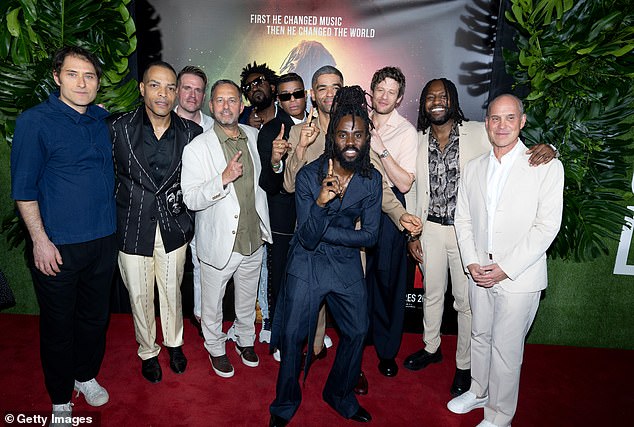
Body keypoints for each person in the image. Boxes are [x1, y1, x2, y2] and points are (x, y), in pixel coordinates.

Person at [404, 78, 557, 397]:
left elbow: (512, 150)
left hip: (465, 235)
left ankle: (464, 365)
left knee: (465, 304)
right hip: (429, 228)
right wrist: (412, 232)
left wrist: (551, 148)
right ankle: (431, 348)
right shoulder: (417, 139)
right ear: (423, 104)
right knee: (432, 295)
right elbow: (415, 186)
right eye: (430, 97)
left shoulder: (478, 131)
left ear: (453, 100)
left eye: (442, 95)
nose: (436, 101)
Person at [283, 65, 422, 393]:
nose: (329, 93)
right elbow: (290, 186)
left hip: (348, 244)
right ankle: (314, 350)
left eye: (335, 87)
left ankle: (351, 368)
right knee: (310, 313)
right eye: (322, 87)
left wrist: (400, 214)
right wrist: (301, 148)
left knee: (352, 317)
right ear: (313, 94)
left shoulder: (358, 132)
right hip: (312, 241)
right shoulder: (300, 133)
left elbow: (376, 185)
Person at [11, 46, 117, 418]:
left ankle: (85, 376)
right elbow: (23, 190)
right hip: (57, 248)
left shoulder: (100, 122)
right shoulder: (34, 122)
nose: (82, 83)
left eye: (89, 76)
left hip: (103, 243)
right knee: (58, 326)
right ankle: (59, 400)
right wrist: (39, 241)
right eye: (73, 74)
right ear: (57, 77)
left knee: (94, 319)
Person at [448, 94, 564, 427]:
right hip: (479, 272)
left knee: (506, 350)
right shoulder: (474, 167)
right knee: (480, 336)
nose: (502, 126)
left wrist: (505, 268)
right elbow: (464, 220)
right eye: (495, 119)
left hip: (519, 277)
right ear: (486, 123)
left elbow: (546, 227)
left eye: (510, 118)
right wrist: (471, 261)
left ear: (522, 122)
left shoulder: (546, 166)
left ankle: (500, 416)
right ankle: (479, 391)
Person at [269, 86, 382, 426]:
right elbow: (304, 237)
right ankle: (284, 404)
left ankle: (339, 393)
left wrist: (325, 230)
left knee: (358, 330)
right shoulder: (308, 175)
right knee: (291, 337)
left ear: (365, 139)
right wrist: (319, 202)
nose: (351, 141)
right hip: (307, 263)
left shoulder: (371, 180)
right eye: (344, 134)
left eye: (358, 135)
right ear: (333, 136)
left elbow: (372, 236)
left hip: (344, 265)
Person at [109, 61, 203, 383]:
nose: (163, 94)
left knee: (172, 290)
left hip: (173, 226)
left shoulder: (192, 132)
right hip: (133, 225)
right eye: (155, 85)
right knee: (139, 294)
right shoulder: (118, 128)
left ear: (176, 92)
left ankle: (174, 343)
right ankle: (148, 350)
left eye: (169, 87)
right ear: (142, 88)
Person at [181, 79, 272, 378]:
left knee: (246, 297)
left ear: (241, 105)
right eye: (219, 100)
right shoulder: (197, 147)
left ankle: (245, 340)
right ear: (211, 106)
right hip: (219, 242)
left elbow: (266, 179)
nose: (225, 106)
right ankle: (215, 347)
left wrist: (278, 161)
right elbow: (191, 198)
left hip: (253, 237)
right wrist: (222, 178)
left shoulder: (254, 136)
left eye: (232, 100)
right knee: (212, 303)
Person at [364, 66, 418, 379]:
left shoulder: (406, 132)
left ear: (399, 99)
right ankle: (365, 335)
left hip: (390, 210)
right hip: (358, 209)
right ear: (372, 93)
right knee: (361, 279)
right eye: (380, 89)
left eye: (391, 92)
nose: (384, 96)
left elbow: (405, 183)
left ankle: (387, 351)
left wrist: (380, 147)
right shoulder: (357, 121)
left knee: (389, 282)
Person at [256, 72, 308, 347]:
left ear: (306, 94)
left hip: (315, 215)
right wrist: (277, 160)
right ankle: (278, 336)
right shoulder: (272, 130)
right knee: (282, 278)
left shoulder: (321, 123)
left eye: (297, 94)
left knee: (312, 276)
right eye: (286, 96)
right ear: (278, 99)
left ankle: (311, 332)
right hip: (283, 216)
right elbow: (268, 183)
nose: (293, 100)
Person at [174, 65, 213, 331]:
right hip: (171, 211)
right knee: (171, 273)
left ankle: (201, 316)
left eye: (198, 90)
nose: (192, 95)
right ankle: (171, 323)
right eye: (187, 88)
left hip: (204, 209)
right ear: (177, 90)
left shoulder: (213, 127)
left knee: (203, 264)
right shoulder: (162, 121)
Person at [239, 61, 278, 129]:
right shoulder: (240, 119)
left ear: (272, 87)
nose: (253, 88)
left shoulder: (288, 110)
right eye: (248, 87)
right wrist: (248, 128)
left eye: (258, 82)